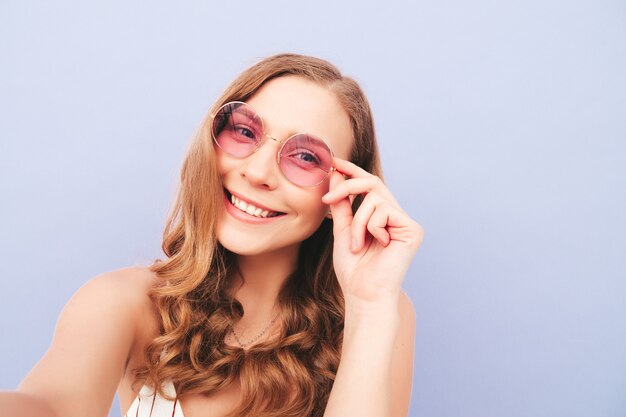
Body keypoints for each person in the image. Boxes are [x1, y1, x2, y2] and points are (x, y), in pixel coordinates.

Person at [0, 53, 424, 417]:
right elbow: (47, 405)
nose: (258, 173)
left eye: (305, 156)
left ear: (345, 192)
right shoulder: (126, 303)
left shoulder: (380, 311)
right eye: (244, 131)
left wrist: (369, 308)